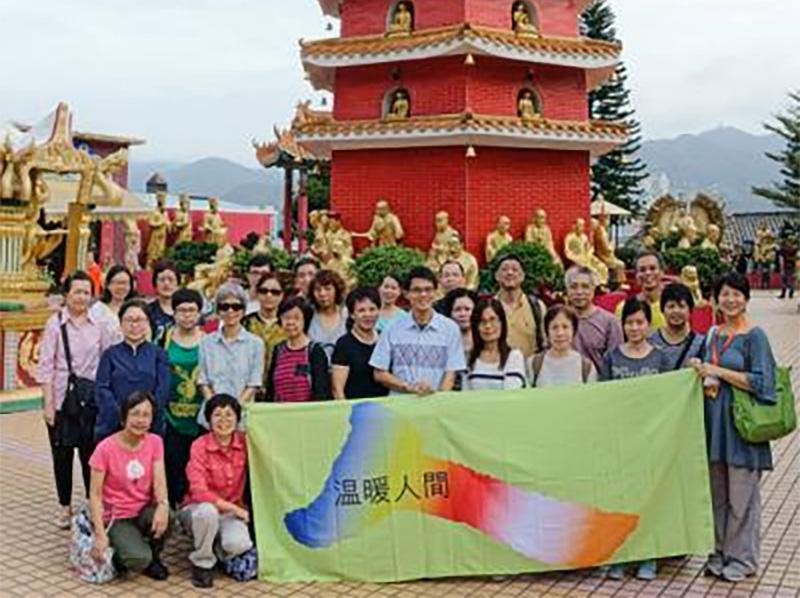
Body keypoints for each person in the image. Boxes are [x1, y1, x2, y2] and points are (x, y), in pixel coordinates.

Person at [691, 273, 777, 582]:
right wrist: (700, 370)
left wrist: (719, 371)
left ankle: (743, 559)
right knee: (718, 496)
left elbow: (763, 384)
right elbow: (705, 371)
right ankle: (719, 554)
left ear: (746, 298)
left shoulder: (755, 336)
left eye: (737, 294)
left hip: (742, 429)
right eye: (724, 294)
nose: (730, 300)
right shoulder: (712, 334)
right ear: (715, 298)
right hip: (715, 427)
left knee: (742, 499)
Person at [37, 271, 117, 528]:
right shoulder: (55, 324)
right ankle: (64, 506)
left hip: (90, 400)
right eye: (77, 291)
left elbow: (107, 360)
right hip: (62, 399)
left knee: (90, 455)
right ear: (66, 295)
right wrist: (48, 404)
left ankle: (91, 503)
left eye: (86, 292)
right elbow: (46, 366)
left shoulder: (100, 324)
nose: (81, 297)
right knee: (61, 455)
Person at [599, 297, 670, 581]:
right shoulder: (612, 358)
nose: (635, 327)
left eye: (640, 322)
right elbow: (601, 398)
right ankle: (620, 557)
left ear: (649, 324)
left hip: (651, 441)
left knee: (648, 499)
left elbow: (669, 399)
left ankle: (647, 556)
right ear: (622, 325)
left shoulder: (661, 358)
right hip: (619, 440)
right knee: (619, 500)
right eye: (629, 322)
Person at [88, 392, 172, 580]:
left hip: (142, 511)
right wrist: (100, 534)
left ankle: (152, 557)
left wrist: (163, 506)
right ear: (124, 416)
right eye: (135, 413)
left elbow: (160, 481)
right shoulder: (105, 448)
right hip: (117, 517)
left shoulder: (155, 442)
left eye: (146, 415)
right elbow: (94, 494)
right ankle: (127, 556)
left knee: (168, 518)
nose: (140, 420)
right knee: (138, 558)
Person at [181, 395, 253, 589]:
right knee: (207, 512)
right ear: (208, 420)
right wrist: (234, 509)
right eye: (217, 415)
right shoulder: (199, 445)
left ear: (238, 419)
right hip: (198, 509)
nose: (223, 421)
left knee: (238, 545)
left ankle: (215, 548)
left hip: (230, 513)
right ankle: (202, 563)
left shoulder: (245, 443)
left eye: (229, 415)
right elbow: (198, 492)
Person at [371, 267, 465, 396]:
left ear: (436, 292)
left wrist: (439, 399)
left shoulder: (450, 328)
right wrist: (409, 387)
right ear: (406, 293)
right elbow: (379, 373)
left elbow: (451, 373)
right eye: (416, 290)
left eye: (428, 289)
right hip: (400, 406)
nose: (423, 295)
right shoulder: (392, 328)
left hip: (436, 407)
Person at [95, 300, 171, 442]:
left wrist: (144, 416)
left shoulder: (159, 354)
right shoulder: (110, 354)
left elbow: (163, 390)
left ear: (148, 323)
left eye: (140, 320)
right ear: (121, 323)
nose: (134, 325)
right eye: (129, 320)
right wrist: (124, 417)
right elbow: (102, 389)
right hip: (114, 427)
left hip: (150, 426)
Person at [163, 288, 205, 507]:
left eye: (192, 310)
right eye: (182, 310)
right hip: (170, 417)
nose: (187, 315)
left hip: (201, 418)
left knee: (197, 467)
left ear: (199, 313)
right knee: (172, 464)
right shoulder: (164, 338)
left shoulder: (208, 341)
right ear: (174, 312)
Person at [198, 283, 264, 412]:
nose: (230, 311)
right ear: (217, 310)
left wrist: (233, 411)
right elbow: (203, 381)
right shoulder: (206, 342)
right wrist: (216, 410)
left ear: (244, 310)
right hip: (212, 415)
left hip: (243, 415)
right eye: (224, 306)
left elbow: (254, 383)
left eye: (236, 306)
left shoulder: (256, 344)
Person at [265, 296, 331, 402]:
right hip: (279, 414)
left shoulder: (315, 351)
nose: (291, 322)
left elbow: (322, 392)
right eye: (286, 317)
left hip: (307, 414)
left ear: (305, 320)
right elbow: (270, 390)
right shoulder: (278, 350)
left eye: (296, 318)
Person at [332, 287, 390, 400]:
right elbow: (337, 389)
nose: (368, 315)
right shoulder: (344, 344)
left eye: (372, 309)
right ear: (352, 314)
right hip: (356, 412)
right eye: (361, 310)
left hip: (386, 409)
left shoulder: (385, 338)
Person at [565, 266, 623, 372]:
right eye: (573, 287)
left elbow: (616, 362)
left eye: (585, 286)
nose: (579, 292)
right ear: (567, 290)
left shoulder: (610, 322)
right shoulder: (560, 320)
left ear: (593, 289)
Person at [463, 298, 526, 391]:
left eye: (493, 320)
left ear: (502, 323)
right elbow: (465, 394)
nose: (488, 326)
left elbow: (512, 392)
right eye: (482, 321)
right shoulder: (469, 358)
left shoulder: (514, 356)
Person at [531, 305, 597, 387]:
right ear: (547, 332)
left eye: (565, 327)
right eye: (554, 327)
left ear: (574, 331)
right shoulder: (534, 364)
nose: (560, 333)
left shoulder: (586, 367)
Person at [494, 255, 546, 359]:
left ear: (522, 276)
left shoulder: (537, 306)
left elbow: (546, 342)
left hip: (529, 370)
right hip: (498, 369)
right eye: (504, 269)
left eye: (515, 269)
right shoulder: (489, 307)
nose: (510, 273)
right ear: (496, 276)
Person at [242, 273, 286, 392]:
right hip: (247, 387)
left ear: (282, 295)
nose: (269, 295)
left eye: (275, 292)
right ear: (257, 293)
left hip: (281, 387)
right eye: (264, 291)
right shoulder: (245, 323)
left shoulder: (288, 324)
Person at [649, 283, 703, 370]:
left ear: (690, 310)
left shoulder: (701, 344)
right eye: (671, 306)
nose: (676, 311)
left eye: (682, 306)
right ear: (662, 309)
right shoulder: (650, 340)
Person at [615, 252, 666, 331]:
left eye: (652, 268)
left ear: (662, 272)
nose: (648, 273)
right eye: (642, 270)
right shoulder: (623, 308)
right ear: (636, 276)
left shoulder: (673, 307)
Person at [308, 269, 348, 362]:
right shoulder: (308, 315)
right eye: (318, 289)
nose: (322, 294)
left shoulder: (347, 315)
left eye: (327, 289)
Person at [92, 264, 137, 330]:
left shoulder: (136, 309)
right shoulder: (97, 310)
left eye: (125, 283)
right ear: (107, 285)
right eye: (117, 283)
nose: (121, 287)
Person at [145, 260, 179, 346]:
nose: (166, 284)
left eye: (171, 280)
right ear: (155, 284)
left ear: (178, 284)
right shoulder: (147, 311)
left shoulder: (187, 310)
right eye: (162, 280)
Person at [442, 288, 479, 359]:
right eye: (457, 309)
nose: (462, 314)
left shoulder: (485, 342)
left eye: (467, 309)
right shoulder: (442, 343)